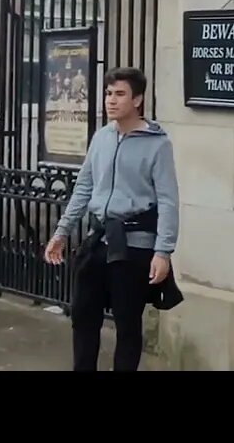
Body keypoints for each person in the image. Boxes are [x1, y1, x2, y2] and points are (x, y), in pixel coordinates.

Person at [45, 66, 180, 372]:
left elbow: (169, 201)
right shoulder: (102, 138)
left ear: (138, 99)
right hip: (98, 241)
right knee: (83, 317)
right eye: (108, 93)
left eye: (120, 94)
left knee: (127, 324)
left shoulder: (158, 144)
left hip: (134, 246)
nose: (111, 100)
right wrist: (61, 232)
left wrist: (163, 252)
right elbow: (84, 187)